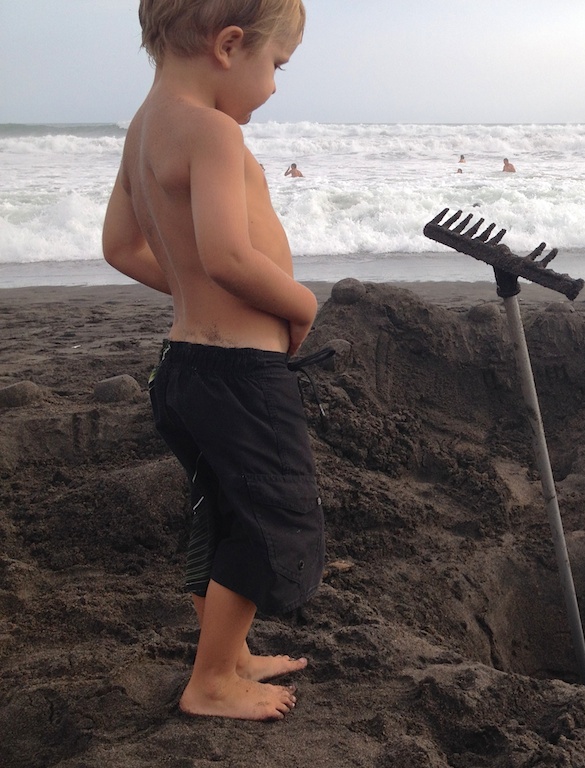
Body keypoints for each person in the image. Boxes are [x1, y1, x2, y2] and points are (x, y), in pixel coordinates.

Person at [101, 0, 323, 722]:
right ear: (230, 46)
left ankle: (227, 654)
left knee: (224, 513)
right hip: (239, 379)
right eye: (276, 66)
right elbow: (229, 256)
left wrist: (192, 287)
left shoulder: (144, 128)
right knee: (272, 525)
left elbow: (120, 247)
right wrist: (299, 305)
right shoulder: (214, 132)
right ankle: (212, 683)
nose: (275, 88)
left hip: (183, 369)